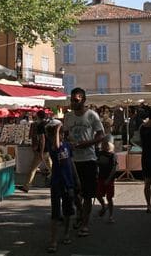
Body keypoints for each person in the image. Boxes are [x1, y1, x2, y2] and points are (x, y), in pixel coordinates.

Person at [62, 87, 104, 237]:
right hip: (72, 160)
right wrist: (66, 143)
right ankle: (80, 213)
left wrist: (86, 144)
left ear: (84, 100)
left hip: (88, 159)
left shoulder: (92, 115)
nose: (73, 102)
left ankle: (85, 224)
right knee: (72, 193)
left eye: (76, 100)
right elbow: (65, 136)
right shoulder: (68, 117)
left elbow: (101, 136)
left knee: (87, 194)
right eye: (72, 100)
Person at [46, 119, 79, 253]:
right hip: (56, 182)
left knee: (68, 210)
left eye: (61, 133)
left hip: (68, 182)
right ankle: (53, 240)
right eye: (58, 133)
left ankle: (66, 234)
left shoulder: (67, 145)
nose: (61, 135)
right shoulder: (52, 146)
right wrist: (58, 128)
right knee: (55, 213)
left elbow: (71, 162)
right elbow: (56, 145)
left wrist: (76, 179)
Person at [19, 110, 52, 192]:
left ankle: (26, 186)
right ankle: (60, 182)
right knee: (52, 168)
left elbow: (42, 139)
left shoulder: (40, 125)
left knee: (32, 169)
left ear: (38, 116)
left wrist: (40, 151)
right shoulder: (48, 124)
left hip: (42, 150)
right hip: (48, 150)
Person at [96, 139, 117, 223]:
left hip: (109, 179)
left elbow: (114, 168)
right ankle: (104, 206)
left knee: (109, 197)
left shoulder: (112, 155)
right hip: (100, 177)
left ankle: (111, 216)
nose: (104, 146)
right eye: (103, 144)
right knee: (98, 194)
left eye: (106, 144)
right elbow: (97, 163)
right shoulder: (100, 153)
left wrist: (109, 179)